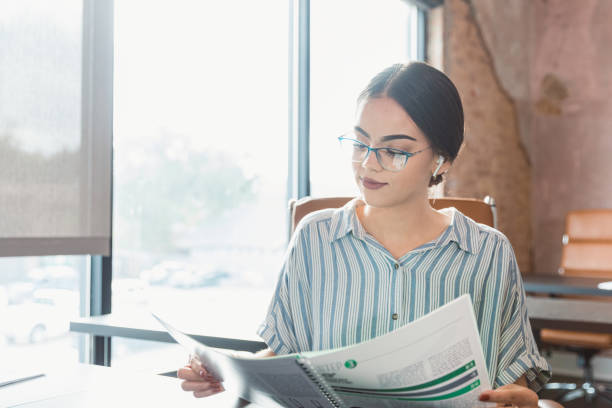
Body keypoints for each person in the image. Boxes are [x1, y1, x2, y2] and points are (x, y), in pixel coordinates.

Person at [177, 62, 551, 406]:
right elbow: (283, 354)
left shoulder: (487, 251)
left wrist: (524, 402)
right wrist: (225, 370)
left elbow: (513, 380)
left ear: (443, 159)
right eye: (359, 143)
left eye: (394, 150)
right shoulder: (315, 238)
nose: (368, 163)